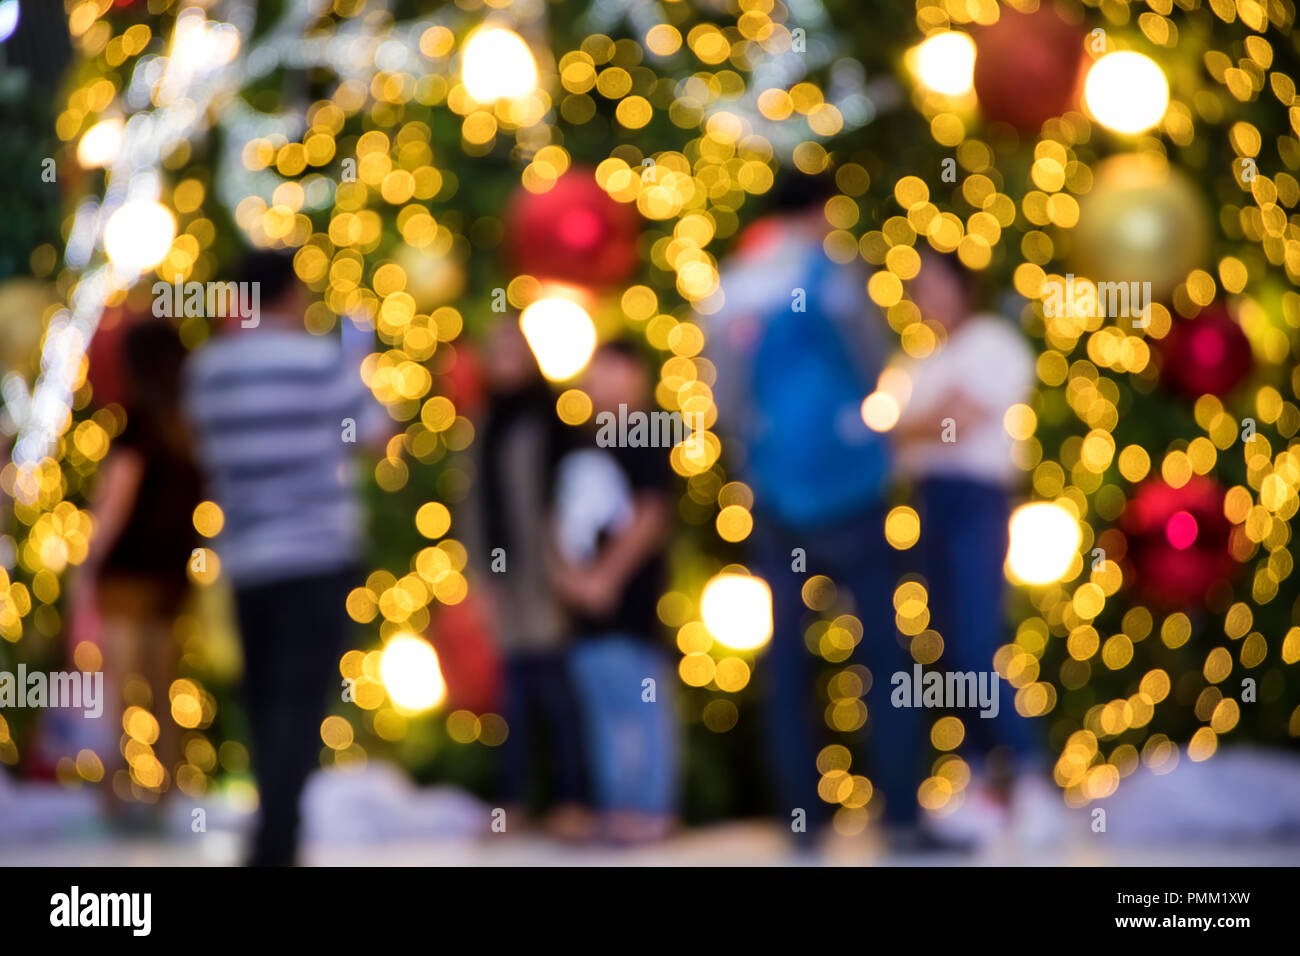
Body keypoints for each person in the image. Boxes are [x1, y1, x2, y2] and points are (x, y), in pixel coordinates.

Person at [705, 174, 926, 847]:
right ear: (818, 212)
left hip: (776, 500)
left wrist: (755, 469)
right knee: (885, 660)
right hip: (854, 491)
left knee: (790, 668)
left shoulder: (732, 289)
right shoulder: (838, 275)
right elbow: (875, 360)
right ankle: (903, 820)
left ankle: (803, 821)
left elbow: (728, 397)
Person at [183, 250, 388, 866]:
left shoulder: (208, 369)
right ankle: (275, 843)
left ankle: (271, 835)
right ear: (289, 293)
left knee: (267, 698)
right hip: (316, 552)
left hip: (247, 557)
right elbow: (374, 432)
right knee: (299, 703)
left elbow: (202, 443)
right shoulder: (319, 358)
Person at [891, 249, 1045, 841]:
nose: (920, 296)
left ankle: (1030, 781)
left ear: (960, 284)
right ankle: (986, 784)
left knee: (977, 644)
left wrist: (914, 423)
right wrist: (920, 421)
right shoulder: (923, 358)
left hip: (975, 502)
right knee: (952, 648)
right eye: (913, 286)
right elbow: (911, 426)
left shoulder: (992, 343)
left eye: (929, 283)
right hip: (932, 501)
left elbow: (957, 422)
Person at [71, 319, 202, 819]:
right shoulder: (186, 429)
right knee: (163, 684)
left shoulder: (137, 427)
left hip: (126, 575)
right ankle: (167, 788)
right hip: (170, 575)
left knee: (121, 689)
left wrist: (88, 562)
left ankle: (112, 793)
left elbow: (115, 505)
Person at [550, 340, 678, 844]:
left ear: (636, 377)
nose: (600, 383)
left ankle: (650, 807)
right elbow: (558, 517)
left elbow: (651, 515)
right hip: (582, 615)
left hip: (629, 609)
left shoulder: (646, 433)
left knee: (640, 708)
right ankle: (615, 806)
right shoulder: (580, 441)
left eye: (613, 372)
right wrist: (567, 578)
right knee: (601, 712)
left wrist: (606, 577)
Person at [468, 318, 589, 839]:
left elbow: (571, 499)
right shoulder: (483, 425)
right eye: (496, 353)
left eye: (512, 352)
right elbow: (472, 506)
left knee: (559, 694)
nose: (504, 362)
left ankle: (573, 803)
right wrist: (479, 577)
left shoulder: (552, 419)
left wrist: (568, 568)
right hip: (506, 582)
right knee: (513, 696)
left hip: (552, 576)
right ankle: (510, 803)